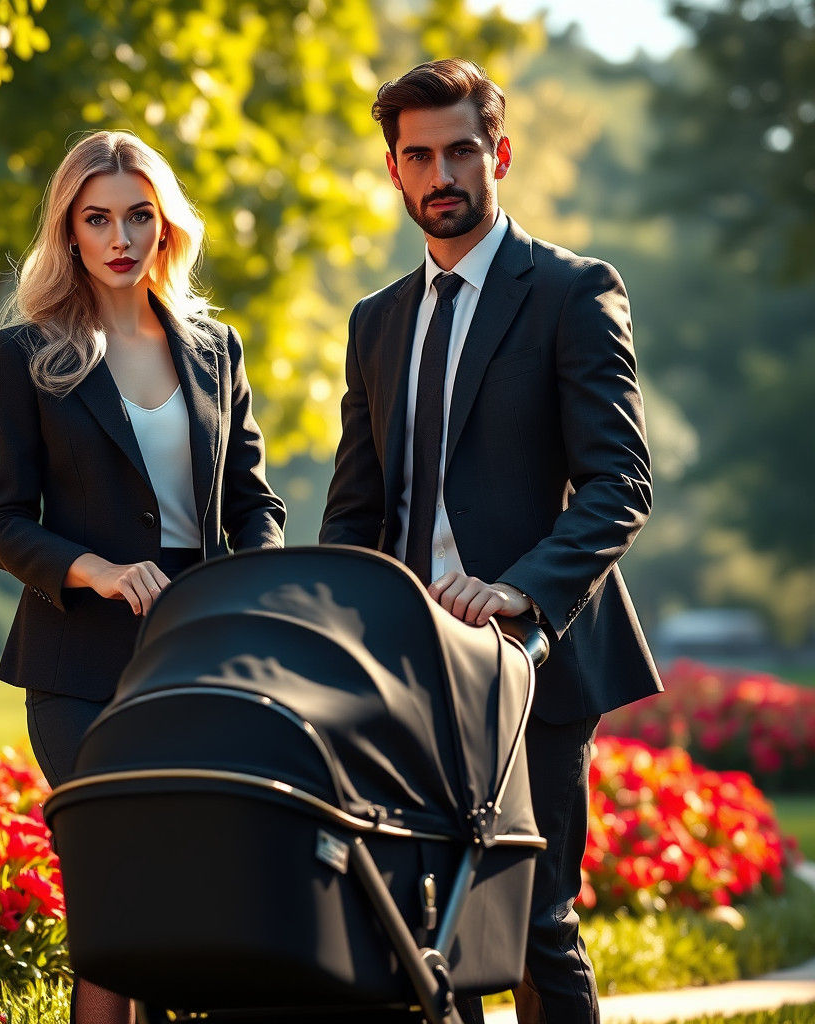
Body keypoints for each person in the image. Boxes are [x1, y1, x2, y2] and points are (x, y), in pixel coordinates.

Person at [320, 59, 662, 1024]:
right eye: (418, 154)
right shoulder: (376, 322)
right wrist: (342, 625)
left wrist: (519, 589)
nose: (442, 173)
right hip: (407, 672)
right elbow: (355, 510)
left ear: (499, 153)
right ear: (393, 171)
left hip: (530, 664)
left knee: (532, 927)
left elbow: (619, 484)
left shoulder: (572, 291)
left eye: (461, 150)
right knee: (429, 935)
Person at [0, 129, 286, 1024]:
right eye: (98, 218)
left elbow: (253, 503)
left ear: (166, 227)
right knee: (114, 900)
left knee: (187, 898)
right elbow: (1, 524)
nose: (121, 237)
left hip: (199, 659)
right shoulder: (27, 353)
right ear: (69, 232)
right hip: (77, 668)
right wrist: (97, 571)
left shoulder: (216, 350)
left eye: (139, 216)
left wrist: (241, 590)